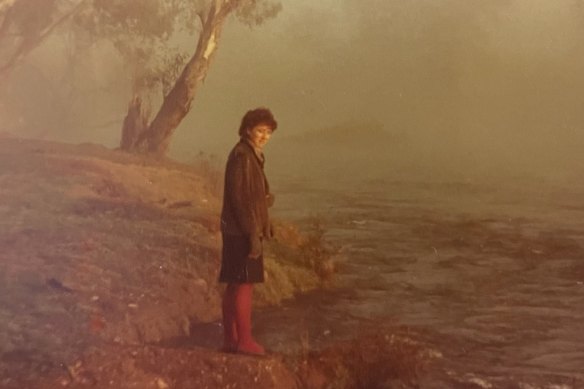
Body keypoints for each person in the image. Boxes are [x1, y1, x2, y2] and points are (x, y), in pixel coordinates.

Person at [218, 107, 277, 355]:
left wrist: (265, 204)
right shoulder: (243, 156)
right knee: (245, 285)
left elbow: (251, 195)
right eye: (260, 130)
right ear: (247, 130)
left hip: (237, 228)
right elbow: (241, 200)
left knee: (235, 284)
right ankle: (245, 341)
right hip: (243, 231)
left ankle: (231, 340)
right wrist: (254, 235)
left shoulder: (249, 154)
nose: (264, 136)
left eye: (268, 132)